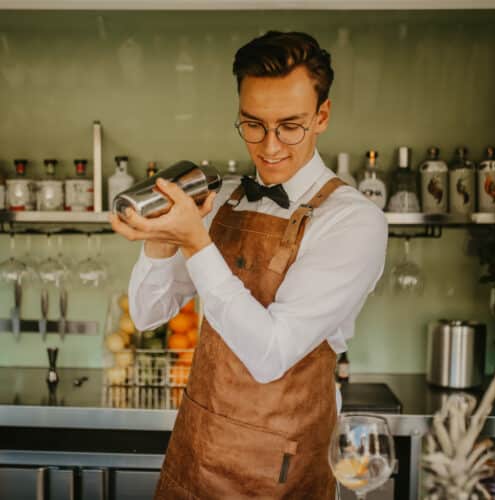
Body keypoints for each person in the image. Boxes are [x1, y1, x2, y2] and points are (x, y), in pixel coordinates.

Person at [110, 31, 388, 499]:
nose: (270, 146)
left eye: (290, 126)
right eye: (253, 125)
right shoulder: (222, 201)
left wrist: (195, 243)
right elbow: (147, 313)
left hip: (282, 470)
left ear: (322, 116)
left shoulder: (354, 221)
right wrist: (159, 239)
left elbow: (270, 354)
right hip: (197, 449)